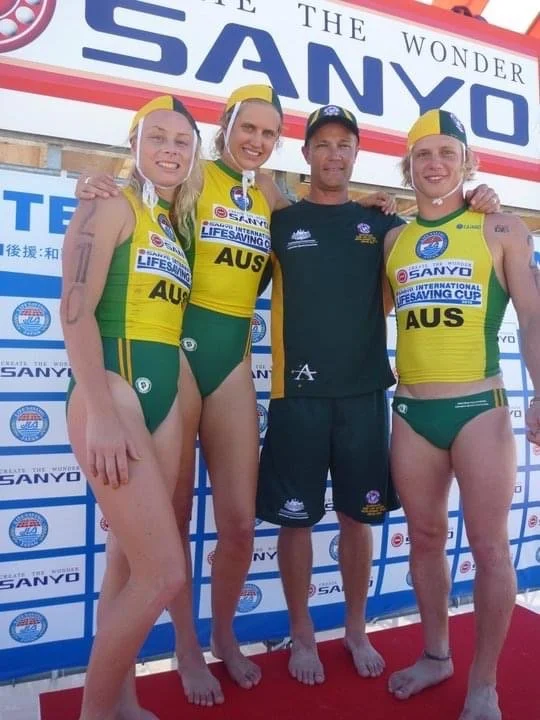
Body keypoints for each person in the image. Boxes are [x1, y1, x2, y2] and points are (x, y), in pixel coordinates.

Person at [75, 87, 399, 708]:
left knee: (241, 523)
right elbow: (138, 187)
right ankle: (186, 651)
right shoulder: (191, 173)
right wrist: (94, 182)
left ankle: (223, 635)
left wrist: (369, 204)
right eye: (247, 128)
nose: (256, 140)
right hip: (178, 351)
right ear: (225, 128)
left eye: (268, 133)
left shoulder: (270, 192)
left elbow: (320, 226)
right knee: (169, 520)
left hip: (233, 358)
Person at [255, 104, 500, 688]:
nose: (333, 154)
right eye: (322, 144)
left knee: (356, 520)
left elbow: (437, 237)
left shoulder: (383, 227)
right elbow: (248, 186)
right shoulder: (280, 220)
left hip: (365, 395)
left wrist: (481, 199)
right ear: (306, 153)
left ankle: (356, 629)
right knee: (295, 523)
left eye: (344, 145)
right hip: (297, 396)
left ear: (357, 154)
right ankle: (302, 633)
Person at [384, 109, 540, 720]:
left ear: (467, 162)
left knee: (489, 547)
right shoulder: (393, 241)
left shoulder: (500, 227)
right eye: (423, 154)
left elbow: (532, 319)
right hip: (411, 413)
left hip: (480, 408)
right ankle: (436, 655)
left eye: (447, 153)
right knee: (424, 539)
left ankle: (484, 683)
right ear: (409, 166)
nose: (435, 164)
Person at [61, 95, 203, 720]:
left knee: (128, 560)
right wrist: (100, 410)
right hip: (113, 389)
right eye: (158, 137)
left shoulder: (175, 223)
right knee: (165, 572)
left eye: (182, 141)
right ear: (135, 145)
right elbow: (74, 311)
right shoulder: (110, 202)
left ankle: (122, 701)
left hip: (163, 392)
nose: (170, 149)